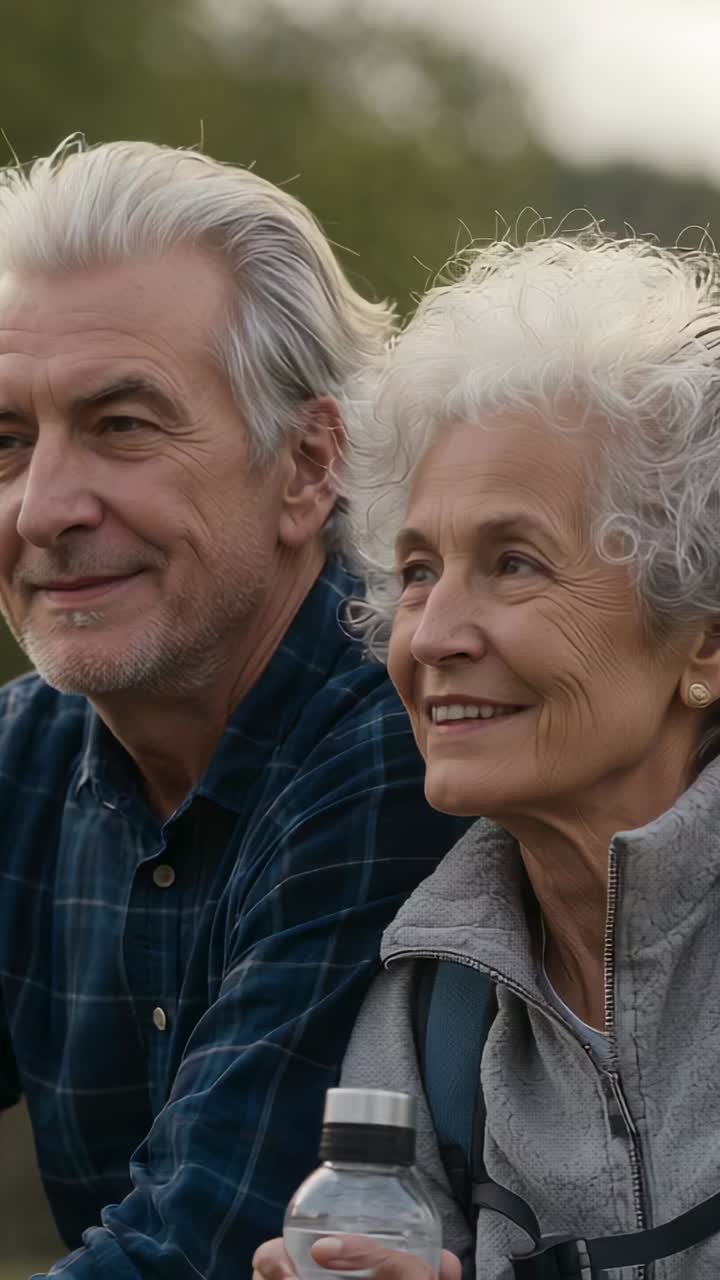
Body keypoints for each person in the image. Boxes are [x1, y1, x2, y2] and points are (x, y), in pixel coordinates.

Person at [0, 137, 469, 1280]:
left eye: (121, 423)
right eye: (7, 440)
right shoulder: (27, 752)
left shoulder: (401, 739)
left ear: (309, 465)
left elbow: (194, 1250)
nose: (42, 508)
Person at [253, 233, 720, 1280]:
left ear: (706, 639)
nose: (433, 633)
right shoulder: (431, 1010)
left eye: (514, 562)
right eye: (418, 569)